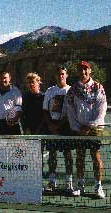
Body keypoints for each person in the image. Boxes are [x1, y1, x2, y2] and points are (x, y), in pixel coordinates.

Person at [66, 61, 107, 199]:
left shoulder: (99, 87)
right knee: (80, 157)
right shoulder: (72, 90)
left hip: (95, 129)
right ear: (77, 72)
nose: (83, 72)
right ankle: (80, 186)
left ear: (90, 71)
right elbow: (70, 111)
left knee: (95, 157)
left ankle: (98, 186)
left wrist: (90, 126)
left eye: (85, 69)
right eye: (80, 70)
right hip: (78, 130)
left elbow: (101, 110)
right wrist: (78, 128)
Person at [42, 66, 74, 195]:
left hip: (66, 127)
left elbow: (72, 110)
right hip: (52, 126)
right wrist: (51, 125)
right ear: (55, 76)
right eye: (58, 74)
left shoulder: (72, 90)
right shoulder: (50, 91)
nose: (61, 76)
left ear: (66, 75)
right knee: (52, 155)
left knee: (68, 155)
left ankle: (69, 182)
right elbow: (45, 110)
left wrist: (61, 124)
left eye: (63, 74)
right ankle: (51, 181)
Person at [0, 70, 22, 135]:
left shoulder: (16, 91)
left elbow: (19, 108)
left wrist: (14, 119)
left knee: (13, 145)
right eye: (1, 78)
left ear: (9, 78)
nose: (3, 80)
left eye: (5, 78)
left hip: (12, 124)